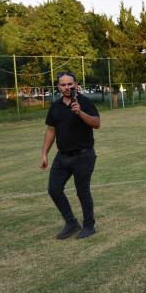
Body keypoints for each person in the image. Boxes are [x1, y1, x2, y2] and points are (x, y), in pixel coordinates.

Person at [39, 72, 101, 239]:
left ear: (76, 84)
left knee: (83, 192)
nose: (67, 87)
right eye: (63, 85)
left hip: (83, 155)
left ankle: (89, 226)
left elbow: (96, 123)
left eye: (69, 84)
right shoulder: (56, 107)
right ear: (58, 87)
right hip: (62, 156)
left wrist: (80, 112)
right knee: (54, 189)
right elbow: (51, 130)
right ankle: (71, 222)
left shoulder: (85, 103)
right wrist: (44, 154)